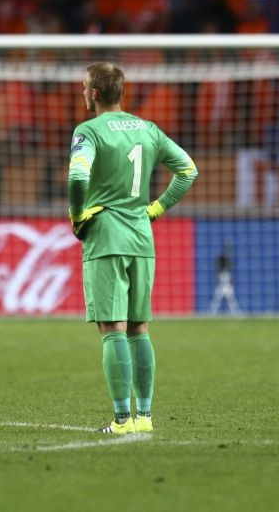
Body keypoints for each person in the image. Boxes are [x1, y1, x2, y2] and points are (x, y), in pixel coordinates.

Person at [67, 62, 198, 434]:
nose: (83, 92)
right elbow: (188, 170)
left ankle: (122, 419)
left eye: (84, 86)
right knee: (139, 328)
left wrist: (77, 214)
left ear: (94, 93)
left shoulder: (88, 130)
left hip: (106, 237)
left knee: (112, 328)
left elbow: (78, 174)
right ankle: (145, 417)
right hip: (142, 238)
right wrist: (154, 209)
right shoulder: (148, 129)